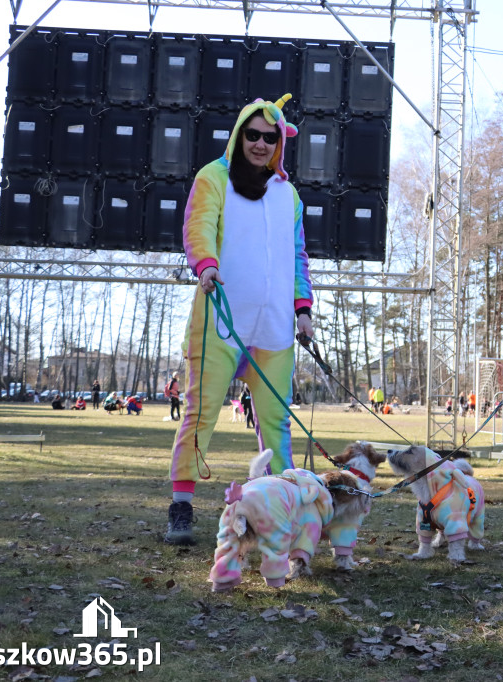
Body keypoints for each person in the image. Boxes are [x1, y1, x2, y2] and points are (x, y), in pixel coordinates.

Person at [165, 95, 313, 546]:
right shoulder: (213, 177)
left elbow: (297, 256)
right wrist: (206, 265)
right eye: (253, 134)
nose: (261, 144)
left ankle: (283, 509)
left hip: (274, 332)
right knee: (200, 413)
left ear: (279, 144)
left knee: (277, 423)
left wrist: (302, 309)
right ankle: (182, 508)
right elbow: (199, 225)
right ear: (239, 135)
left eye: (270, 137)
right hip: (220, 322)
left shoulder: (289, 195)